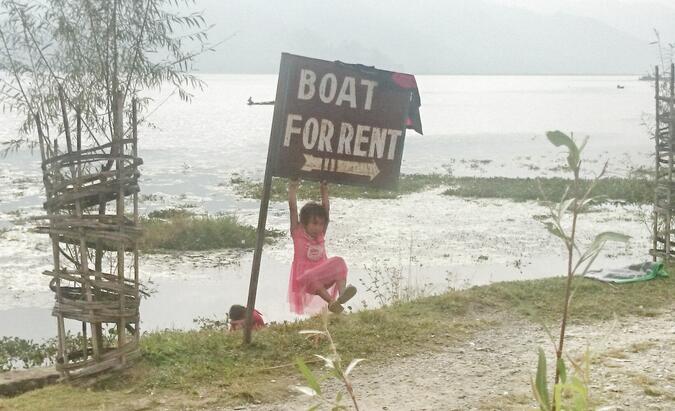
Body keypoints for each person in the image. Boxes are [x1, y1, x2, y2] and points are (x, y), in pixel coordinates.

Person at [287, 179, 356, 314]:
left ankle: (343, 294)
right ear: (304, 223)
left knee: (339, 261)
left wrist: (324, 189)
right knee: (311, 276)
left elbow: (326, 210)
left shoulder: (321, 235)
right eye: (314, 223)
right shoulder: (297, 233)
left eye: (321, 224)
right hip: (305, 280)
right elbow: (293, 209)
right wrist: (293, 188)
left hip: (323, 277)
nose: (318, 228)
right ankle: (331, 302)